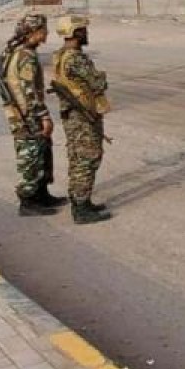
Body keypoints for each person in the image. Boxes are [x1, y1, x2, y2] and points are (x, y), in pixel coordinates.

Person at [0, 14, 63, 216]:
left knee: (42, 152)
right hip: (27, 115)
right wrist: (44, 116)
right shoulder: (26, 56)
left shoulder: (13, 52)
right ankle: (28, 202)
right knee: (31, 156)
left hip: (20, 113)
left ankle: (41, 195)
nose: (46, 34)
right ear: (32, 32)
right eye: (43, 30)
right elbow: (29, 90)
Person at [52, 15, 111, 225]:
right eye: (82, 30)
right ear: (75, 32)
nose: (86, 33)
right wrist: (101, 77)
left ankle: (81, 201)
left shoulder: (60, 55)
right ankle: (81, 207)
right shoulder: (75, 58)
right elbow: (98, 82)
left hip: (74, 114)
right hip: (82, 115)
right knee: (87, 158)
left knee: (78, 157)